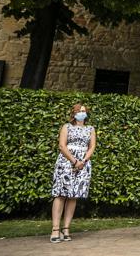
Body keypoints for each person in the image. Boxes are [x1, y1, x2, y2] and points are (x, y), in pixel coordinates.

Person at [50, 104, 96, 243]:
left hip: (83, 164)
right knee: (61, 194)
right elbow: (62, 146)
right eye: (79, 111)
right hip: (66, 162)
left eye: (84, 111)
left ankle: (66, 228)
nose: (82, 113)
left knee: (73, 196)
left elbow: (92, 146)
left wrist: (83, 161)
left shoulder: (90, 129)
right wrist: (74, 161)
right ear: (74, 113)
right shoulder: (66, 127)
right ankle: (55, 229)